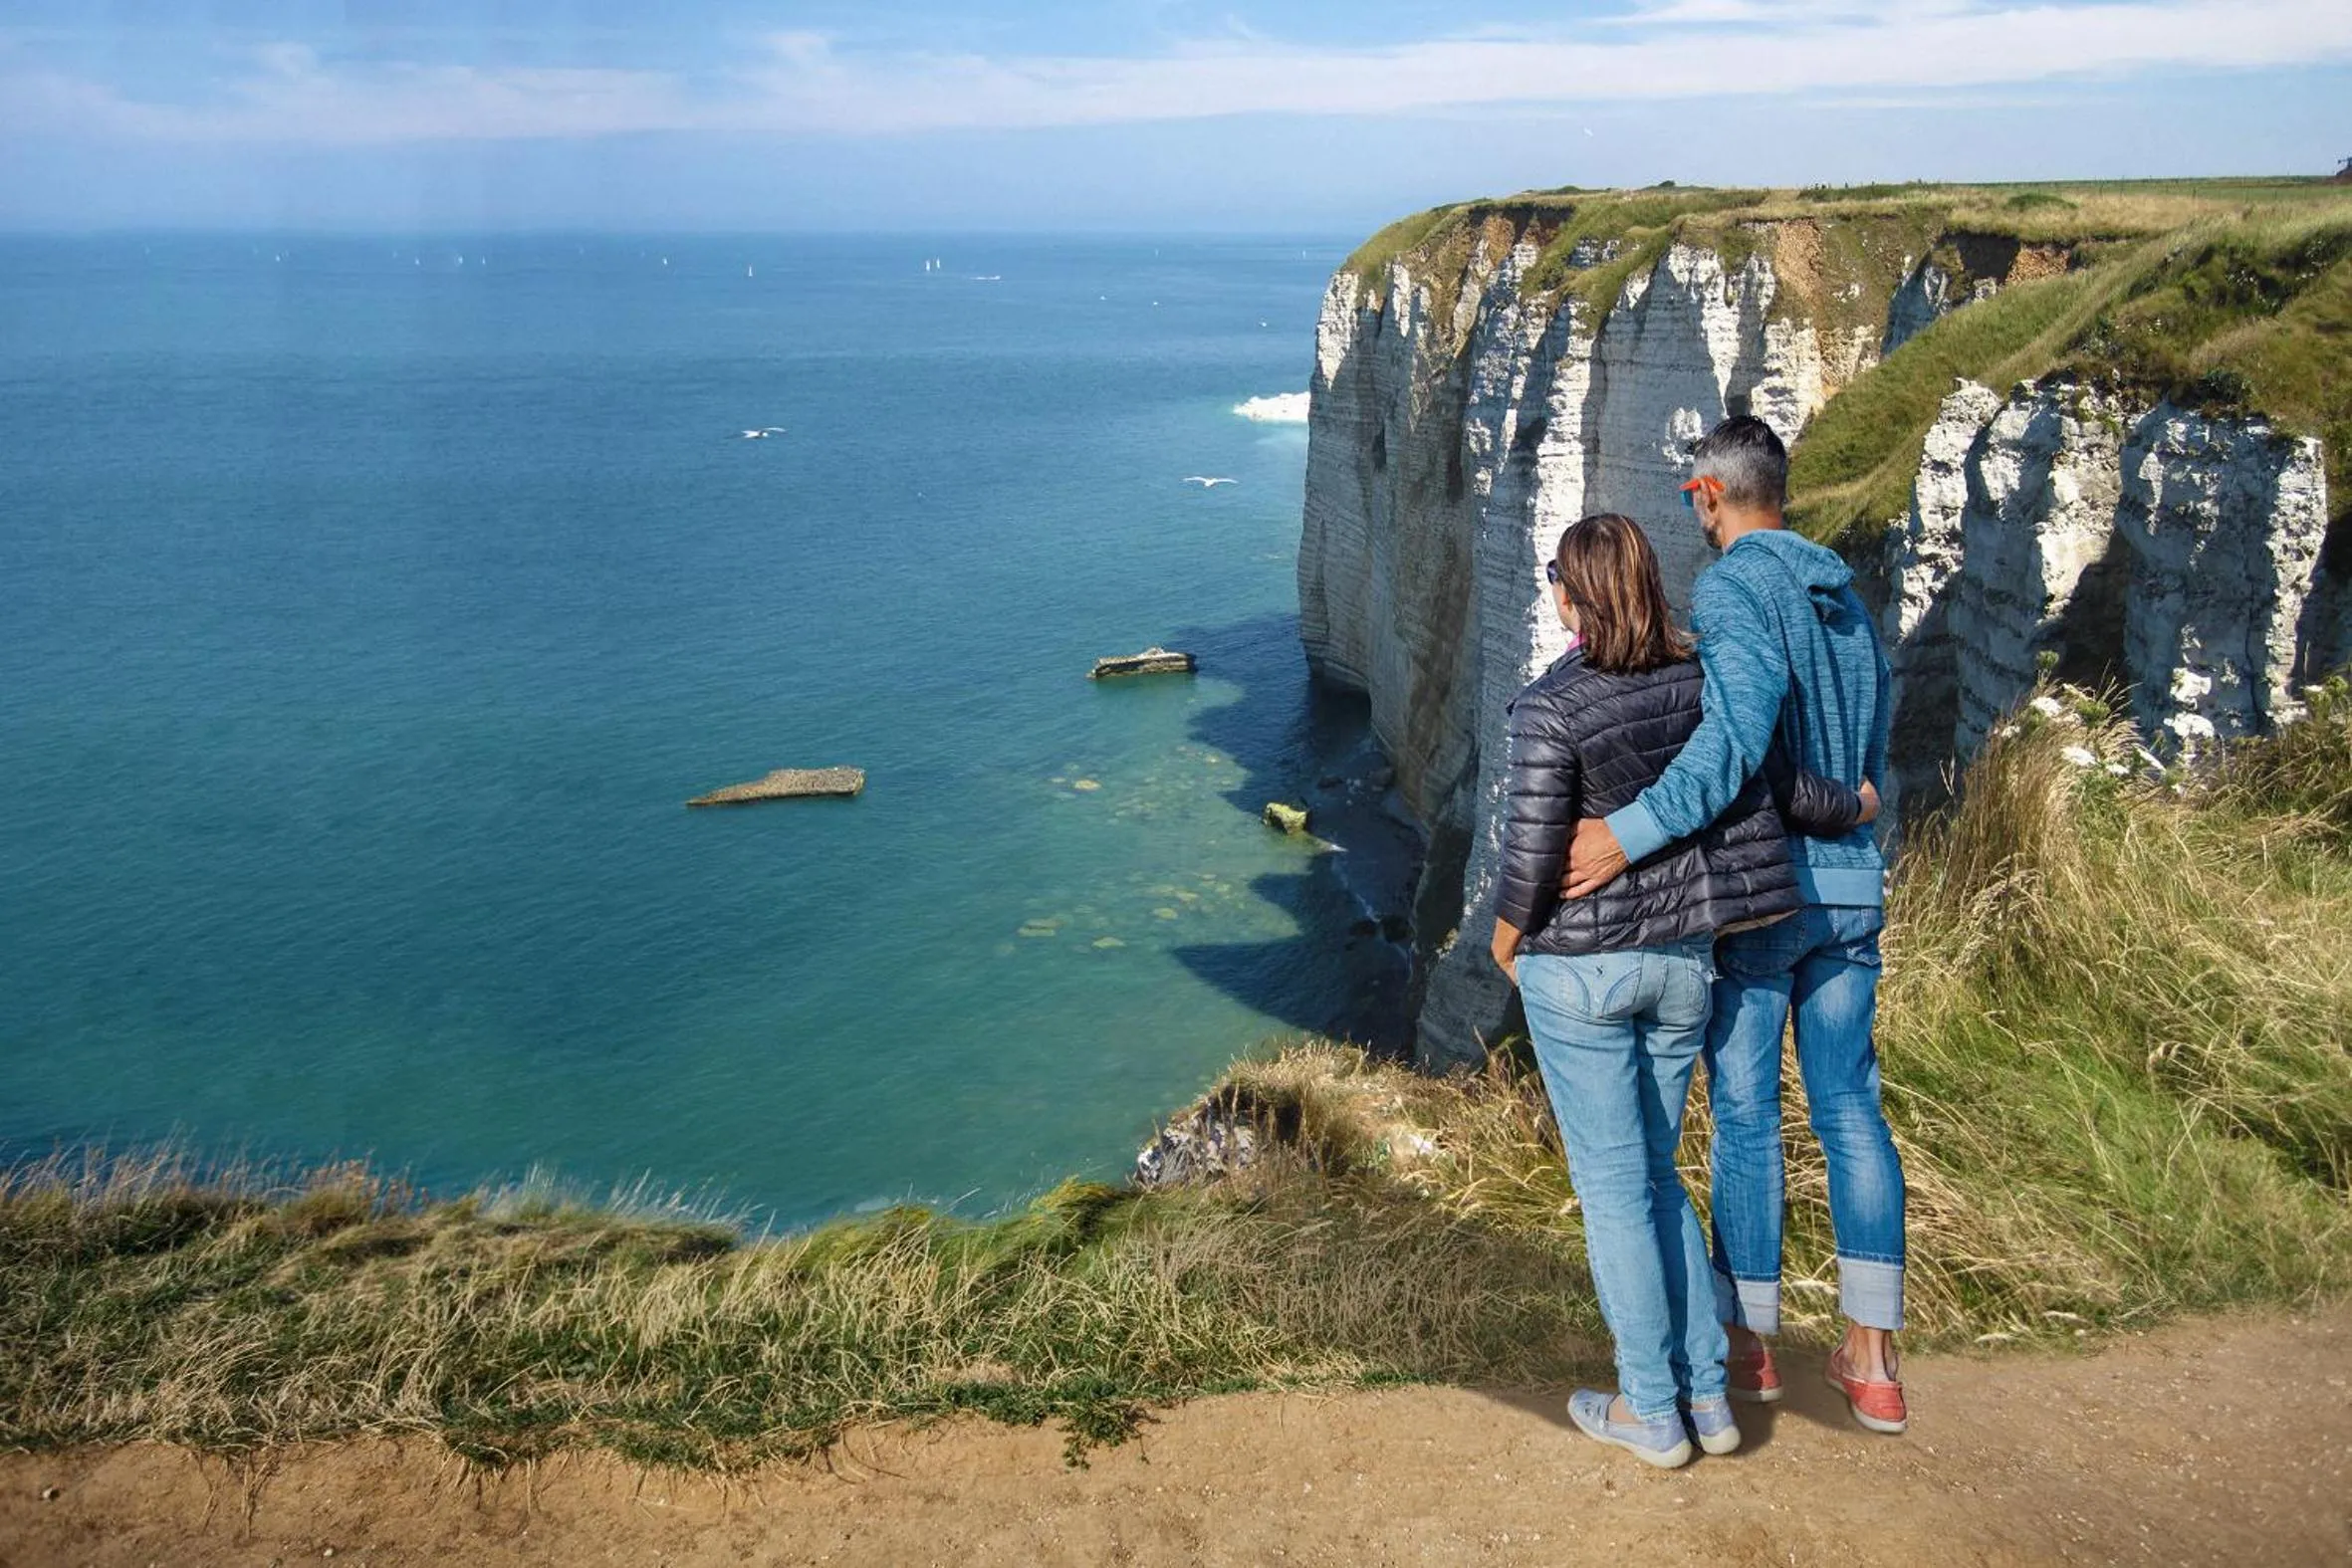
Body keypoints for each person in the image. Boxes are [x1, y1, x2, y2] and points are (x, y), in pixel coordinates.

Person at [1490, 513, 1863, 1469]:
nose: (1552, 593)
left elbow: (1533, 854)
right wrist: (1857, 802)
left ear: (1575, 596)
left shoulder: (1550, 706)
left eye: (1556, 580)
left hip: (1585, 969)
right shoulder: (1704, 679)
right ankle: (1707, 1395)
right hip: (1682, 966)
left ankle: (1650, 1409)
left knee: (1614, 1192)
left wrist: (1505, 943)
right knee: (1659, 1177)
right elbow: (1775, 784)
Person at [1560, 415, 1908, 1435]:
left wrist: (1624, 835)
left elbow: (1732, 745)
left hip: (1766, 896)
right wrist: (1854, 809)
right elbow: (1868, 768)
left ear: (1709, 494)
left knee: (1748, 1112)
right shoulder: (1846, 601)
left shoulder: (1731, 590)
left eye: (1692, 498)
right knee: (1851, 1108)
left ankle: (1749, 1349)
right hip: (1853, 890)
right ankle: (1872, 1364)